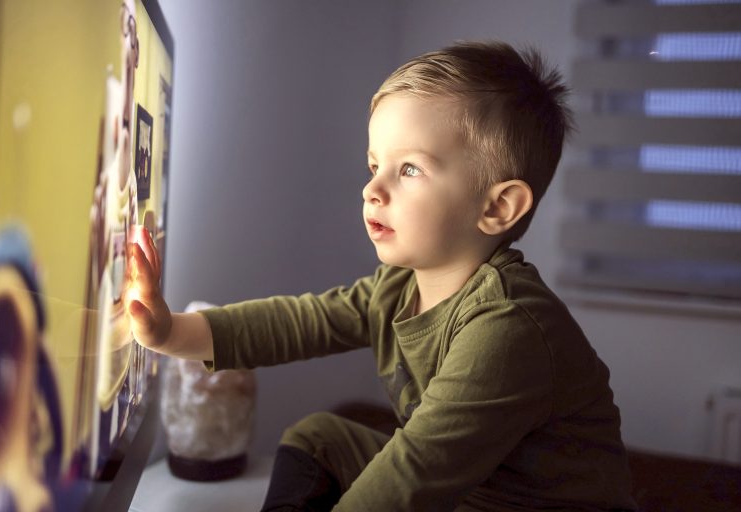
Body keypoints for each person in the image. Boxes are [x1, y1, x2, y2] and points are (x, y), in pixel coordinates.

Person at [125, 41, 636, 511]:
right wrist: (169, 331)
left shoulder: (509, 328)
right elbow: (297, 322)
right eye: (374, 165)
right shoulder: (397, 288)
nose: (373, 188)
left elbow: (410, 476)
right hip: (468, 495)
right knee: (319, 437)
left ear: (498, 206)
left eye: (409, 169)